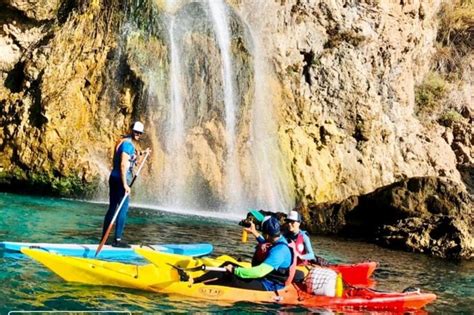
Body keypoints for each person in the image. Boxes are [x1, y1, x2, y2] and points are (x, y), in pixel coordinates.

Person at [194, 217, 294, 291]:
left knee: (233, 278)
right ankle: (195, 281)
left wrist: (235, 270)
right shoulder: (279, 240)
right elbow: (266, 241)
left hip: (270, 284)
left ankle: (201, 287)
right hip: (264, 278)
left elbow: (259, 272)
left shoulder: (279, 251)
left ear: (267, 234)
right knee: (227, 263)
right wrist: (254, 232)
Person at [102, 121, 150, 248]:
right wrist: (125, 185)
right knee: (123, 208)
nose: (138, 134)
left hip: (114, 177)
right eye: (136, 131)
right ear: (131, 130)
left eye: (140, 133)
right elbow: (124, 164)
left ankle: (104, 238)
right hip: (121, 180)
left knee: (112, 207)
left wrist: (143, 153)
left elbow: (132, 155)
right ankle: (117, 240)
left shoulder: (123, 142)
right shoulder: (128, 145)